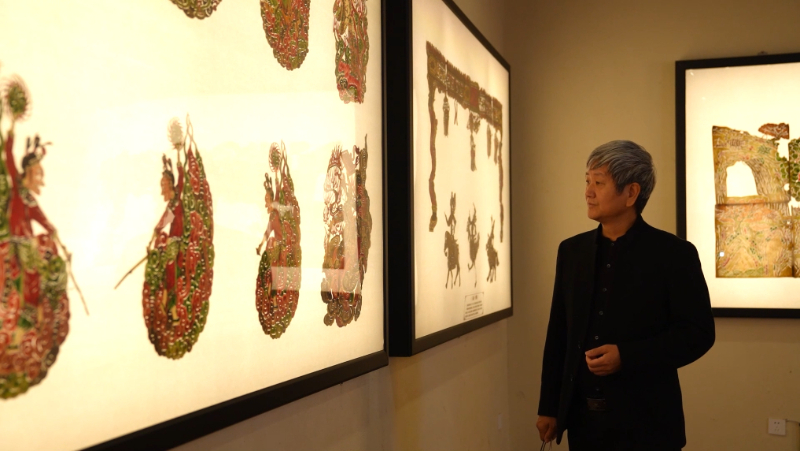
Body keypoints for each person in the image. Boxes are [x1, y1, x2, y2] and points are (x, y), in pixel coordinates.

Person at [536, 140, 715, 450]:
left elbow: (698, 334)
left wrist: (627, 357)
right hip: (583, 421)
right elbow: (559, 332)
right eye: (587, 181)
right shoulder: (572, 251)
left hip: (648, 423)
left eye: (599, 183)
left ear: (631, 193)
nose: (588, 192)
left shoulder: (674, 254)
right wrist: (549, 406)